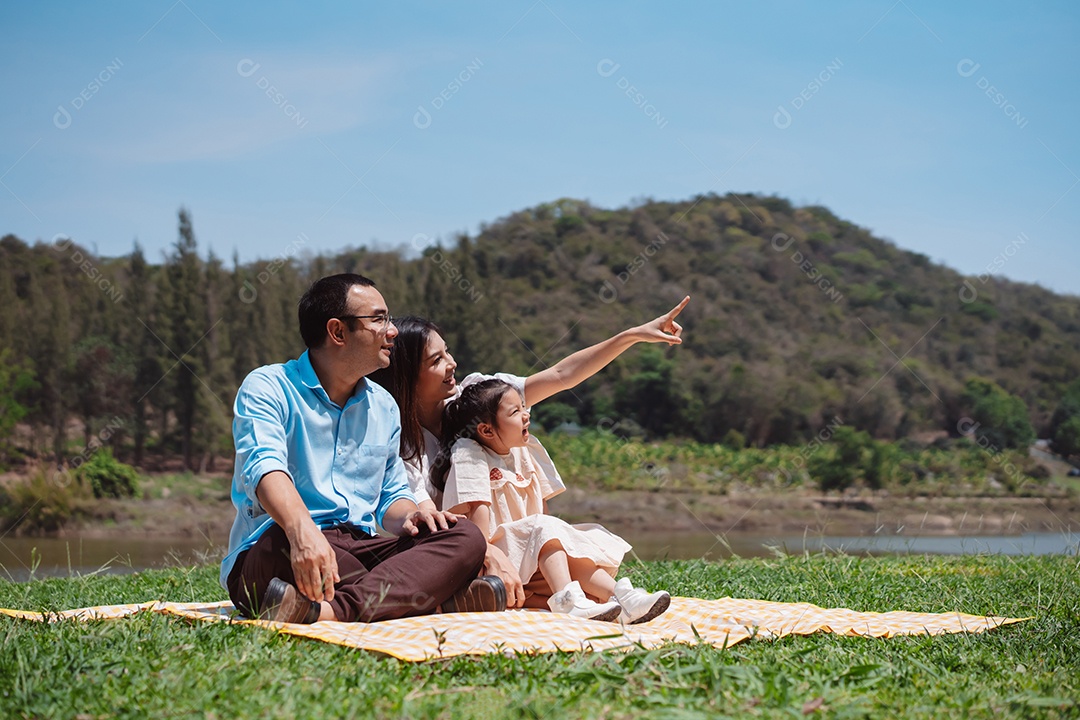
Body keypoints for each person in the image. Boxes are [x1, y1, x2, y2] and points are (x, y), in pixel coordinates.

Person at [370, 296, 689, 608]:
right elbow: (426, 516)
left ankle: (617, 598)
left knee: (564, 549)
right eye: (436, 360)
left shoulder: (479, 397)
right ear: (408, 377)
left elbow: (562, 376)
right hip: (466, 552)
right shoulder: (405, 448)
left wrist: (631, 335)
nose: (451, 362)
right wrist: (485, 552)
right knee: (544, 544)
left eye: (447, 352)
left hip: (514, 545)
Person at [220, 273, 504, 625]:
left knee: (464, 536)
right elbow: (264, 469)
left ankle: (330, 611)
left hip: (355, 550)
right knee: (280, 540)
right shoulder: (268, 386)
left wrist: (412, 517)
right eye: (379, 319)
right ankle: (428, 601)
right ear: (338, 332)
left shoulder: (383, 405)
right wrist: (303, 530)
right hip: (280, 549)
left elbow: (392, 495)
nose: (392, 330)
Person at [432, 378, 671, 623]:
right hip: (493, 561)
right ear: (486, 430)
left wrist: (555, 545)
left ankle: (621, 598)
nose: (526, 415)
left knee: (568, 538)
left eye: (524, 408)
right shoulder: (470, 455)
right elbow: (478, 536)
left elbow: (543, 515)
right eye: (516, 412)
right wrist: (496, 561)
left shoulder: (524, 451)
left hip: (530, 560)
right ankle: (570, 601)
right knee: (546, 528)